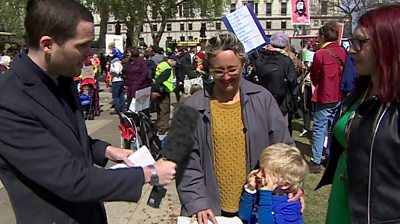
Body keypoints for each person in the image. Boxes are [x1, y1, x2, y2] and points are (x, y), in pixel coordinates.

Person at [0, 1, 176, 223]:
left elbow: (66, 138)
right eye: (83, 45)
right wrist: (149, 174)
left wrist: (108, 151)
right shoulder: (8, 100)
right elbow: (71, 180)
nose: (89, 54)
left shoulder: (61, 78)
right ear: (47, 44)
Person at [176, 32, 296, 224]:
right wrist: (196, 201)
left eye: (232, 70)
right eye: (218, 71)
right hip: (211, 210)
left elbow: (284, 148)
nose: (226, 77)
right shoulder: (191, 106)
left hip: (257, 205)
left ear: (243, 65)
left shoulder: (262, 98)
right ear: (208, 69)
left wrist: (293, 185)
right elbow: (185, 163)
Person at [316, 4, 400, 223]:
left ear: (389, 44)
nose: (351, 49)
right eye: (352, 41)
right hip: (343, 204)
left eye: (361, 42)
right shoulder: (359, 92)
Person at [309, 21, 346, 173]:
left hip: (325, 94)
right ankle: (330, 156)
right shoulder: (343, 51)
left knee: (319, 128)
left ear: (323, 36)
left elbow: (315, 75)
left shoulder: (320, 54)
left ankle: (316, 160)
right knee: (333, 127)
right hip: (340, 94)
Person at [239, 143, 308, 224]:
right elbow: (244, 216)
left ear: (285, 184)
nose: (258, 174)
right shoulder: (259, 190)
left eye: (264, 173)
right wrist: (250, 190)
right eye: (259, 169)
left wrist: (265, 195)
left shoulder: (290, 205)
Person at [250, 31, 299, 135]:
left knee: (264, 130)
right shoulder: (286, 60)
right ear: (285, 45)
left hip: (262, 101)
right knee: (281, 131)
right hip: (282, 103)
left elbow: (253, 80)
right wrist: (294, 106)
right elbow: (293, 83)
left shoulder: (260, 58)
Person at [151, 55, 179, 135]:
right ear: (171, 60)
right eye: (175, 62)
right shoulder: (167, 69)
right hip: (163, 91)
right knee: (165, 111)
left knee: (159, 111)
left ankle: (159, 126)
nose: (175, 64)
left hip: (160, 91)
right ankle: (163, 129)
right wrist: (158, 90)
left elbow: (156, 77)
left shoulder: (161, 65)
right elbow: (159, 80)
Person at [123, 47, 151, 111]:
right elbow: (126, 73)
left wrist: (138, 82)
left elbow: (145, 73)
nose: (128, 54)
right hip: (130, 86)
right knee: (131, 105)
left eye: (129, 52)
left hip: (140, 87)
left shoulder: (141, 62)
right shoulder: (129, 62)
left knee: (140, 107)